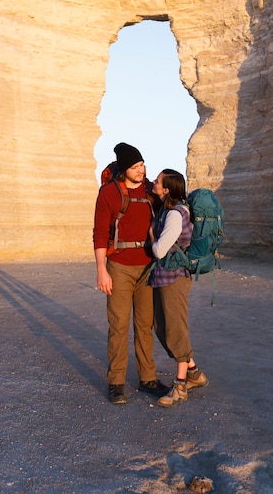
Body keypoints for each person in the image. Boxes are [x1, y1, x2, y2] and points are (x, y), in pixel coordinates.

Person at [93, 143, 168, 405]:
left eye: (143, 165)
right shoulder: (109, 194)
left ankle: (148, 378)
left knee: (144, 326)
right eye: (136, 166)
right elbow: (100, 233)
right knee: (119, 326)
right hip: (119, 267)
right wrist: (101, 270)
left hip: (147, 265)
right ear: (125, 168)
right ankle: (116, 382)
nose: (141, 170)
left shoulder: (150, 191)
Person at [149, 169, 209, 407]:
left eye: (157, 181)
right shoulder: (170, 210)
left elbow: (160, 250)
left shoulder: (175, 214)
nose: (153, 182)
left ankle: (180, 386)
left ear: (166, 190)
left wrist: (151, 236)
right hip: (166, 278)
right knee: (162, 326)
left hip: (174, 279)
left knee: (175, 329)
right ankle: (194, 373)